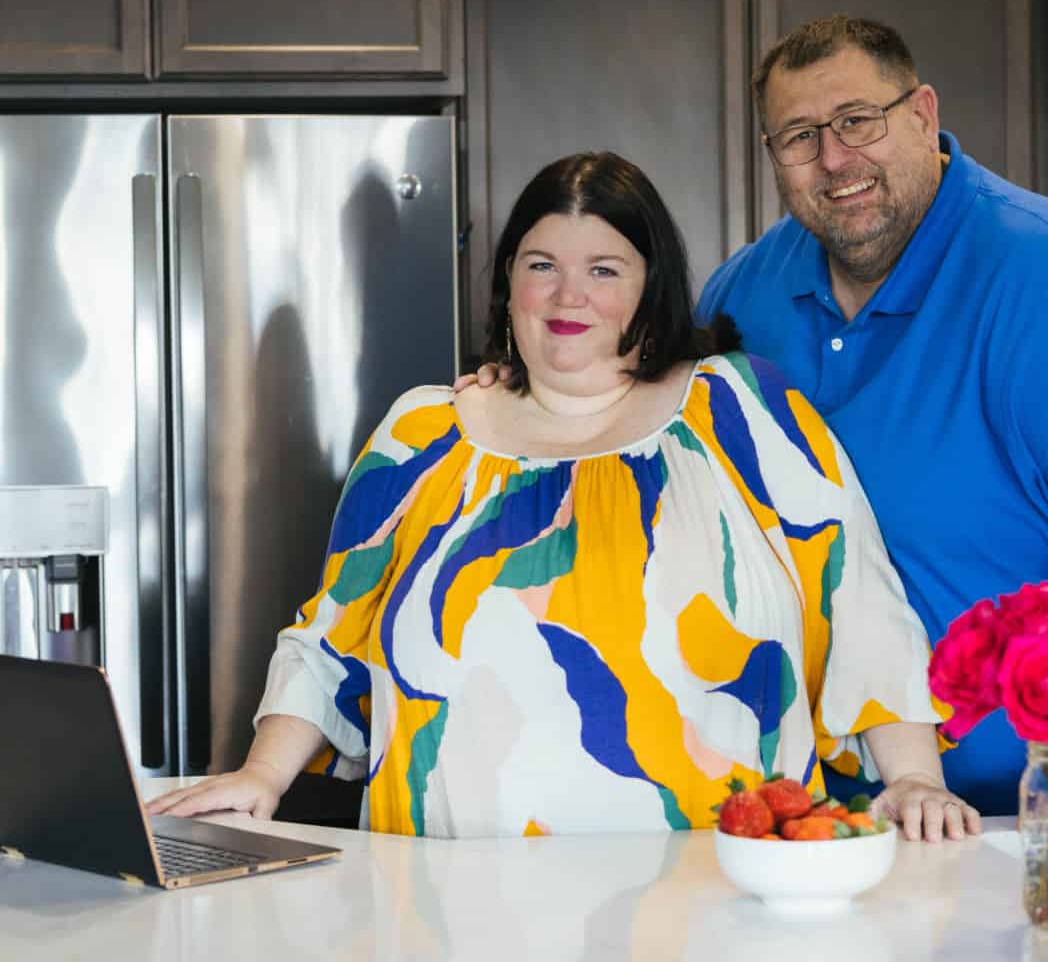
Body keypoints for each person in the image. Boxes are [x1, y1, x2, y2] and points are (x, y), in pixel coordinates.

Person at [147, 151, 979, 842]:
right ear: (508, 284)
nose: (568, 295)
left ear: (649, 290)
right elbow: (333, 630)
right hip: (444, 903)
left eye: (603, 269)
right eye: (541, 266)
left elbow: (861, 601)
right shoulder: (422, 434)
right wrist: (261, 777)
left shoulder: (743, 412)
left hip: (714, 899)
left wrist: (912, 779)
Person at [696, 15, 1048, 815]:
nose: (834, 159)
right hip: (845, 819)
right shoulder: (740, 298)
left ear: (924, 114)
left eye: (859, 121)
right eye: (798, 136)